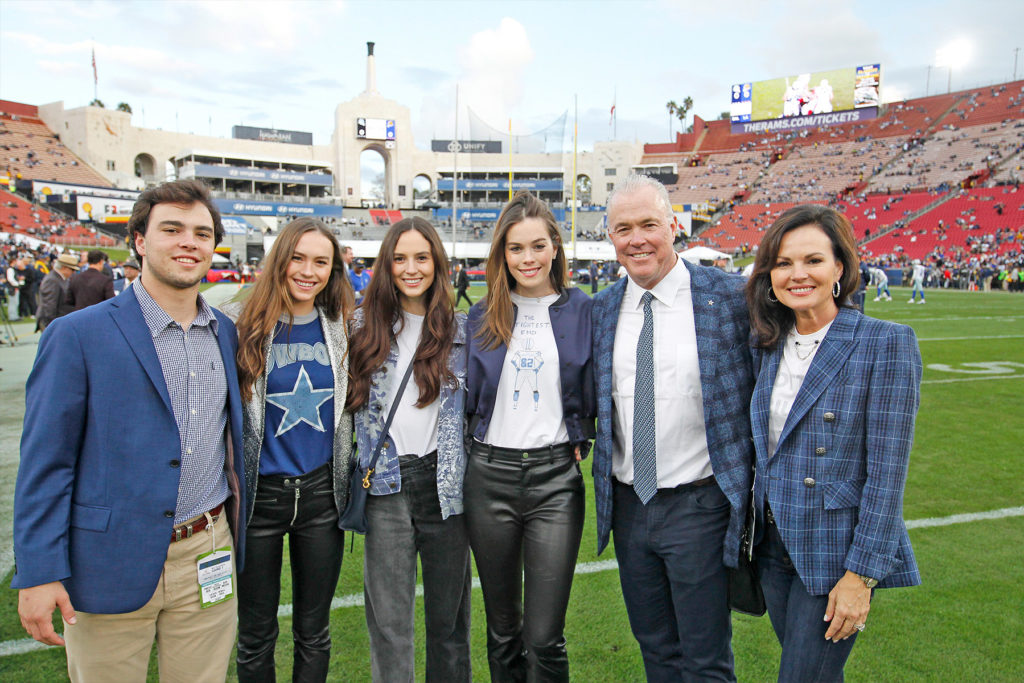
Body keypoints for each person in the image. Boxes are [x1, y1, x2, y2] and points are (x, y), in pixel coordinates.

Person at [11, 179, 247, 682]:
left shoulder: (226, 332)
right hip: (108, 556)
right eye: (172, 229)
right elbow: (45, 463)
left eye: (202, 233)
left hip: (208, 549)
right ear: (139, 240)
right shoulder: (77, 334)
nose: (189, 242)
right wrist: (37, 570)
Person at [744, 204, 922, 682]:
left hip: (835, 554)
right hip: (773, 547)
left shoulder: (885, 342)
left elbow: (888, 474)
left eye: (813, 260)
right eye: (783, 263)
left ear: (840, 267)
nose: (797, 274)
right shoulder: (767, 344)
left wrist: (861, 575)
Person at [591, 175, 754, 681]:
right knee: (656, 649)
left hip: (699, 505)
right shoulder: (602, 308)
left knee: (705, 658)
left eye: (648, 225)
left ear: (673, 227)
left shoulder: (730, 297)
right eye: (623, 229)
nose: (636, 239)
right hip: (629, 506)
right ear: (611, 238)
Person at [465, 191, 596, 681]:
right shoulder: (480, 317)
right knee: (502, 632)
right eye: (516, 249)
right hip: (488, 479)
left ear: (555, 248)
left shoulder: (584, 310)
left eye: (537, 246)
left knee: (544, 637)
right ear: (502, 254)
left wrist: (585, 430)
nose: (528, 259)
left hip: (555, 482)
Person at [227, 218, 356, 682]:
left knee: (313, 632)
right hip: (259, 499)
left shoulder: (342, 326)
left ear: (332, 270)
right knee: (256, 634)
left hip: (322, 497)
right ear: (279, 260)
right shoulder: (237, 322)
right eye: (298, 258)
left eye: (321, 261)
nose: (308, 270)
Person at [346, 216, 472, 682]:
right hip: (385, 487)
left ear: (437, 263)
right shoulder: (362, 324)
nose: (411, 268)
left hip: (446, 484)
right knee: (389, 626)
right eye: (400, 258)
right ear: (387, 265)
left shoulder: (462, 328)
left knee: (450, 627)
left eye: (421, 257)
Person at [35, 252, 78, 331]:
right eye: (72, 269)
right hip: (51, 322)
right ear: (64, 268)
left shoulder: (59, 278)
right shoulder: (52, 280)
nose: (73, 272)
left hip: (57, 321)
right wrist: (53, 325)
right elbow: (49, 305)